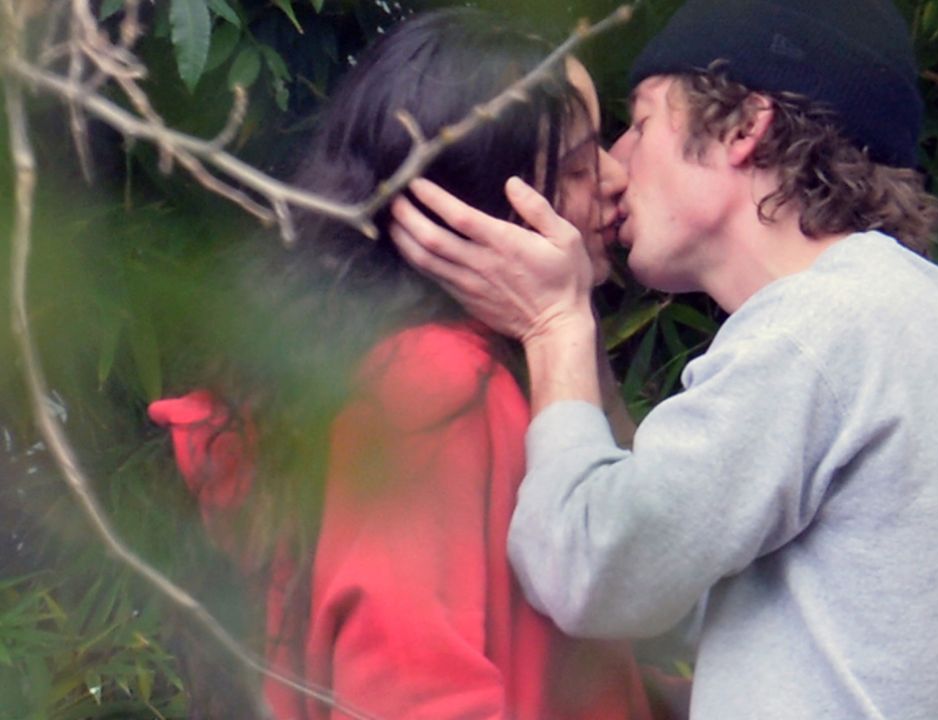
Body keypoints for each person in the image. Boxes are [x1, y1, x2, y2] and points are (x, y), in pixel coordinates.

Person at [388, 0, 938, 718]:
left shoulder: (818, 333)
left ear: (743, 128)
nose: (614, 164)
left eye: (641, 124)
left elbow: (590, 570)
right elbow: (676, 586)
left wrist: (554, 326)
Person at [149, 8, 661, 720]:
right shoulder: (432, 383)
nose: (613, 178)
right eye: (577, 164)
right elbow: (411, 696)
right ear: (477, 215)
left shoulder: (429, 367)